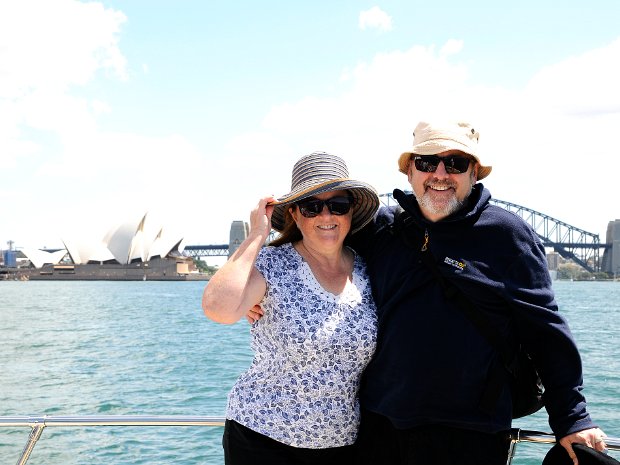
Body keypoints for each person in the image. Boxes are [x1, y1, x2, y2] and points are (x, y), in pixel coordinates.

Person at [346, 120, 607, 465]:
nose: (440, 174)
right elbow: (315, 246)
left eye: (455, 163)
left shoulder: (506, 234)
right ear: (409, 171)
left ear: (474, 173)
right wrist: (268, 279)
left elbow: (544, 332)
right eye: (427, 162)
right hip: (379, 426)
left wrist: (572, 417)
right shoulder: (381, 229)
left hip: (470, 433)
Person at [202, 151, 380, 465]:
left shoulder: (369, 268)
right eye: (312, 207)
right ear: (295, 215)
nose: (326, 216)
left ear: (351, 211)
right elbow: (219, 309)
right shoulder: (272, 264)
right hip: (261, 440)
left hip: (341, 445)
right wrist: (258, 234)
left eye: (338, 205)